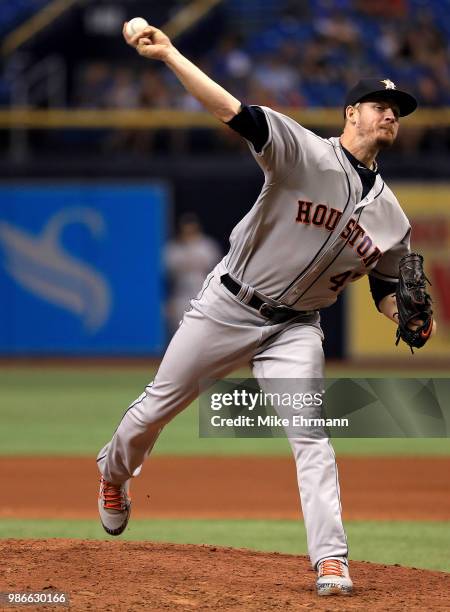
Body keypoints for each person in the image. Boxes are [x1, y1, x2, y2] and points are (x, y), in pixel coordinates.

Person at [97, 23, 433, 597]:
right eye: (379, 105)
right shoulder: (301, 151)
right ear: (351, 113)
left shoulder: (392, 219)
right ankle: (112, 474)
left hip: (296, 329)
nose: (389, 115)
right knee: (155, 410)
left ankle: (331, 559)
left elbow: (384, 287)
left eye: (396, 109)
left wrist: (402, 316)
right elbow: (231, 110)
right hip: (229, 306)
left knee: (313, 438)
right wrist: (171, 53)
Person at [165, 213, 222, 335]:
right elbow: (168, 277)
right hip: (181, 297)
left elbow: (218, 272)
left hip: (204, 295)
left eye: (191, 229)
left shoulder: (207, 246)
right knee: (179, 333)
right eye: (186, 229)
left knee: (204, 332)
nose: (189, 232)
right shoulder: (173, 249)